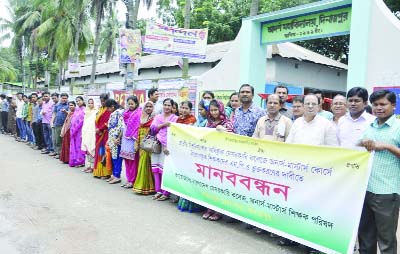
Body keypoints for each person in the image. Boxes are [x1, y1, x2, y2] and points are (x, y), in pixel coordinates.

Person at [358, 90, 400, 254]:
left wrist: (388, 146)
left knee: (386, 240)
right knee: (366, 237)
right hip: (365, 189)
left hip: (386, 192)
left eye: (383, 104)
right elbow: (359, 146)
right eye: (375, 104)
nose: (378, 108)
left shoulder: (397, 128)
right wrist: (362, 142)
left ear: (394, 106)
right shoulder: (370, 125)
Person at [202, 99, 233, 221]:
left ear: (221, 109)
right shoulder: (208, 122)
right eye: (212, 110)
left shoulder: (227, 122)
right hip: (210, 157)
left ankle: (218, 210)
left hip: (222, 159)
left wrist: (223, 130)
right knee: (210, 184)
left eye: (216, 110)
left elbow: (232, 135)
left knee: (219, 185)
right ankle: (210, 208)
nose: (214, 112)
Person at [150, 98, 178, 201]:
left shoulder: (175, 118)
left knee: (164, 170)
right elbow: (153, 129)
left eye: (169, 105)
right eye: (165, 105)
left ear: (172, 107)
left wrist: (167, 145)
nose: (166, 107)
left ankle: (166, 192)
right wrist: (163, 125)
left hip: (167, 147)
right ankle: (158, 191)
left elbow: (173, 133)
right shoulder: (158, 116)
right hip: (157, 145)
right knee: (156, 169)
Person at [133, 101, 156, 195]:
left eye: (151, 106)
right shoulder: (142, 117)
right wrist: (136, 143)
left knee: (149, 164)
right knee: (142, 164)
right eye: (147, 106)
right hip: (142, 144)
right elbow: (138, 131)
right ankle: (142, 186)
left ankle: (150, 187)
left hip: (150, 143)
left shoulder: (155, 118)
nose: (148, 108)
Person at [120, 96, 142, 188]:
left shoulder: (139, 113)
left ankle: (133, 180)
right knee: (126, 160)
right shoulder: (125, 113)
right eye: (129, 104)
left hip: (133, 139)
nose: (130, 105)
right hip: (125, 139)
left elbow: (138, 127)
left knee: (133, 161)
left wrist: (136, 139)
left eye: (132, 104)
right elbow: (123, 126)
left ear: (136, 104)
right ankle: (129, 179)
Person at [105, 99, 125, 184]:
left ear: (112, 107)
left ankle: (117, 176)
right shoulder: (114, 113)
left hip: (116, 139)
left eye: (108, 108)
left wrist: (118, 138)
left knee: (117, 158)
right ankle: (114, 174)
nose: (107, 110)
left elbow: (121, 127)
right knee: (113, 157)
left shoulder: (119, 113)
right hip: (112, 138)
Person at [93, 93, 112, 179]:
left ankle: (105, 173)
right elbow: (96, 121)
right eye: (101, 101)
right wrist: (97, 128)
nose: (102, 103)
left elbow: (108, 122)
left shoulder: (108, 110)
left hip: (105, 133)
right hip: (98, 133)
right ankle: (98, 171)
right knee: (99, 151)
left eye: (104, 101)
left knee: (105, 152)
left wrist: (100, 129)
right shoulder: (100, 109)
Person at [81, 98, 98, 173]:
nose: (90, 104)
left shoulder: (96, 111)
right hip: (86, 132)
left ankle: (92, 166)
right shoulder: (86, 111)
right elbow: (85, 123)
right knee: (87, 149)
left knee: (92, 148)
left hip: (92, 133)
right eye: (89, 103)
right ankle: (89, 165)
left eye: (92, 103)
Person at [69, 96, 86, 167]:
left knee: (79, 146)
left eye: (79, 100)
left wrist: (75, 128)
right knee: (75, 146)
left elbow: (82, 120)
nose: (78, 102)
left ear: (83, 101)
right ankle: (75, 160)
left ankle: (81, 161)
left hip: (80, 130)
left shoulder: (84, 110)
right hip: (73, 130)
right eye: (77, 101)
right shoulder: (77, 109)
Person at [50, 93, 68, 159]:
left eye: (65, 98)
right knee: (57, 140)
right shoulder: (57, 105)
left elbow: (71, 114)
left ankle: (63, 154)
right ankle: (58, 153)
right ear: (60, 98)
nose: (64, 99)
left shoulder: (69, 105)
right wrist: (52, 121)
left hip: (65, 125)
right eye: (63, 98)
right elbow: (54, 113)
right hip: (57, 124)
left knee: (64, 140)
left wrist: (65, 112)